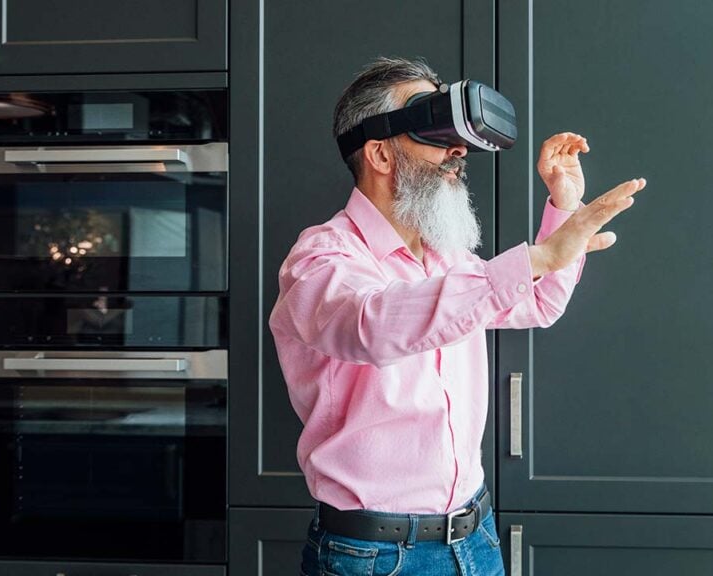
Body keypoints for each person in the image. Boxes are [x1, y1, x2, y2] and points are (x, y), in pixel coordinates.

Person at [269, 56, 646, 576]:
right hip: (374, 556)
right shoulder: (321, 259)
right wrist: (537, 258)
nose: (459, 150)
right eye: (435, 129)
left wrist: (563, 206)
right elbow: (371, 324)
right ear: (379, 152)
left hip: (475, 536)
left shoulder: (446, 259)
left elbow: (537, 303)